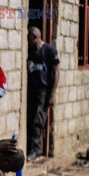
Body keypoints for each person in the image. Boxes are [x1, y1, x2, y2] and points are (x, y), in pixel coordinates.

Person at [27, 26, 60, 162]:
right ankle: (31, 148)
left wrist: (52, 94)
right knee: (31, 119)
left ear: (35, 37)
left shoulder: (50, 50)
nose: (27, 41)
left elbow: (56, 72)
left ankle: (35, 150)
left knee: (38, 120)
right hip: (32, 90)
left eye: (29, 38)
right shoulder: (30, 51)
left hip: (44, 91)